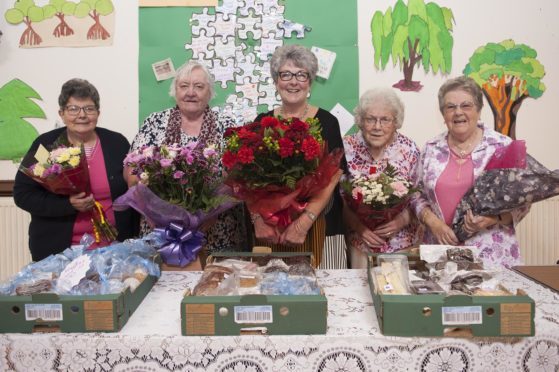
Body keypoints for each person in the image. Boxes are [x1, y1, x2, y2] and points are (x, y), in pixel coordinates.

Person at [127, 60, 247, 257]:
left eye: (199, 86)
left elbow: (239, 179)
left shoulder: (228, 126)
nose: (191, 92)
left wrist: (210, 215)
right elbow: (132, 174)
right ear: (175, 90)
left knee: (215, 284)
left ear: (210, 93)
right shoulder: (154, 122)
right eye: (184, 86)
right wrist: (153, 212)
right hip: (161, 231)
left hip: (216, 230)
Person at [14, 78, 139, 261]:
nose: (82, 115)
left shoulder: (117, 143)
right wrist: (67, 205)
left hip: (114, 250)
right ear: (62, 113)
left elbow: (132, 193)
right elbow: (23, 195)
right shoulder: (45, 145)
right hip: (59, 253)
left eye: (89, 108)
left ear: (98, 112)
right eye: (73, 109)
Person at [412, 76, 527, 268]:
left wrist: (491, 219)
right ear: (443, 114)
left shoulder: (502, 146)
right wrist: (433, 223)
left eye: (466, 105)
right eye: (450, 107)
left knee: (489, 298)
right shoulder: (431, 148)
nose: (458, 113)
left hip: (491, 255)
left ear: (479, 110)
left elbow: (523, 202)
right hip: (440, 253)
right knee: (442, 298)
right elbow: (415, 194)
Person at [252, 44, 347, 269]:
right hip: (271, 231)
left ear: (310, 82)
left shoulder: (327, 122)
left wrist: (305, 221)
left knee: (328, 296)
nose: (293, 82)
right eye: (285, 74)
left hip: (321, 227)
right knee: (275, 295)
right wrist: (257, 219)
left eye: (301, 75)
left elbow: (334, 176)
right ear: (276, 81)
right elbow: (249, 180)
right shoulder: (261, 122)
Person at [343, 88, 420, 268]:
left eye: (385, 119)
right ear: (361, 121)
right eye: (370, 119)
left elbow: (420, 198)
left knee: (397, 293)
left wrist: (401, 220)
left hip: (401, 245)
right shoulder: (347, 147)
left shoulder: (409, 150)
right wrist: (359, 227)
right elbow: (339, 200)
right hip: (360, 243)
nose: (377, 126)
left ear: (396, 122)